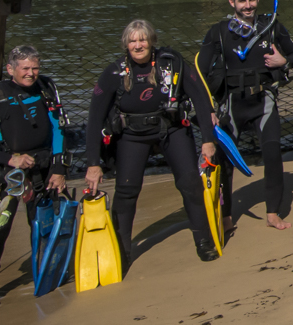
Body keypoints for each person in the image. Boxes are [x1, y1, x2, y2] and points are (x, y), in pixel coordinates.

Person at [83, 20, 219, 264]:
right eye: (133, 40)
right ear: (126, 44)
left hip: (172, 130)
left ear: (152, 41)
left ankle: (204, 241)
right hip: (132, 136)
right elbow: (94, 119)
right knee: (126, 191)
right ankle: (122, 253)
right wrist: (93, 163)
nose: (138, 45)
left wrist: (208, 140)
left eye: (143, 39)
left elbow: (199, 97)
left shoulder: (172, 63)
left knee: (190, 183)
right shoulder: (114, 72)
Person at [0, 46, 67, 309]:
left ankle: (45, 273)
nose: (31, 74)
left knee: (43, 224)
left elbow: (58, 129)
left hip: (42, 169)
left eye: (35, 68)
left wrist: (58, 168)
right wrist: (10, 160)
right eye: (25, 69)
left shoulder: (45, 88)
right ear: (10, 69)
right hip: (5, 175)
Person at [198, 0, 293, 231]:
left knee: (272, 154)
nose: (248, 5)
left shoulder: (271, 26)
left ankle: (273, 213)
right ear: (232, 2)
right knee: (225, 161)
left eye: (252, 0)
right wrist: (208, 111)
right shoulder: (219, 32)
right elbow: (199, 75)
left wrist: (283, 62)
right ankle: (225, 216)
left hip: (263, 100)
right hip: (232, 103)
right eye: (242, 1)